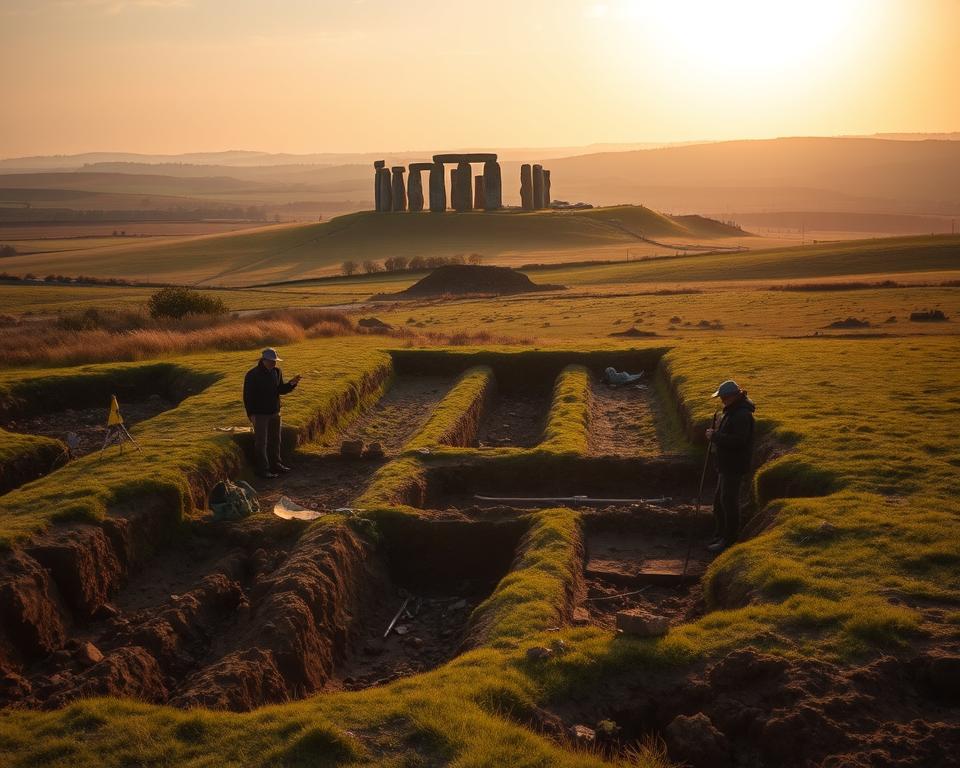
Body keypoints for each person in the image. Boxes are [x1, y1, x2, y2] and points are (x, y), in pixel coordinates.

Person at [704, 379, 756, 552]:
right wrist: (717, 433)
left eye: (723, 397)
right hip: (725, 464)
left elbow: (739, 441)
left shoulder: (742, 415)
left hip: (734, 466)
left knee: (729, 502)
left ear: (732, 396)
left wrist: (715, 436)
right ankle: (720, 534)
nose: (721, 400)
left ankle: (729, 540)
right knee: (719, 501)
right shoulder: (732, 410)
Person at [243, 348, 301, 478]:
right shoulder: (252, 375)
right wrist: (250, 414)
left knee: (276, 440)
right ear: (264, 360)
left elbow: (280, 390)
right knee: (261, 442)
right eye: (271, 361)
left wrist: (292, 384)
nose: (274, 363)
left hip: (275, 412)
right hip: (260, 414)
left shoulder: (277, 372)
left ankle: (276, 464)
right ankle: (263, 470)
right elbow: (248, 396)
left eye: (275, 361)